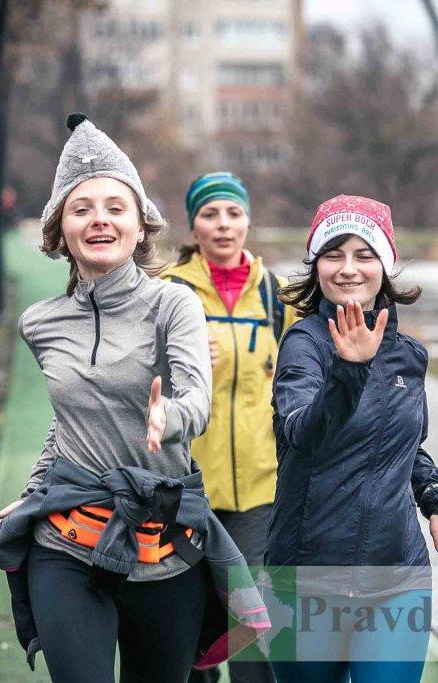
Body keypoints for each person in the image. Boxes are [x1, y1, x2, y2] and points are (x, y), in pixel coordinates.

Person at [0, 114, 268, 682]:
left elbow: (196, 401)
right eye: (81, 209)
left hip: (162, 543)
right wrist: (37, 490)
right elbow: (68, 423)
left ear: (141, 227)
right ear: (60, 232)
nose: (99, 219)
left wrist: (169, 415)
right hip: (67, 538)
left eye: (116, 207)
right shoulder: (40, 323)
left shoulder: (173, 303)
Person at [264, 195, 438, 682]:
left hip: (396, 575)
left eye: (364, 254)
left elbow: (405, 444)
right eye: (334, 255)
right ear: (316, 267)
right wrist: (349, 372)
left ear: (386, 265)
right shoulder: (305, 344)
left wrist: (437, 500)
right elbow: (303, 432)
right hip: (309, 578)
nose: (348, 269)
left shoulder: (408, 355)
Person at [162, 172, 296, 683]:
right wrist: (173, 363)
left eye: (233, 213)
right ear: (193, 225)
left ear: (247, 220)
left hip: (261, 491)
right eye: (210, 214)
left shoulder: (278, 294)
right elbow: (135, 383)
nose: (223, 225)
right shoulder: (166, 294)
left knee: (253, 626)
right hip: (186, 486)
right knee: (189, 627)